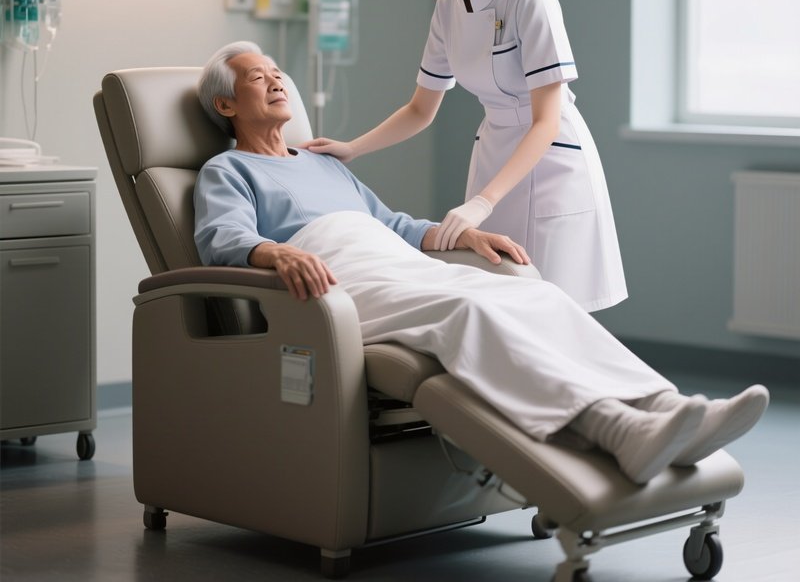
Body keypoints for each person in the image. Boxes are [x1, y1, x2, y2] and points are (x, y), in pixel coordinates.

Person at [193, 41, 768, 486]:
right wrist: (277, 250)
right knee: (466, 310)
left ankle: (666, 407)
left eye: (276, 72)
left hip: (394, 261)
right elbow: (221, 237)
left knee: (537, 295)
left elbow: (393, 224)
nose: (276, 80)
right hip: (337, 282)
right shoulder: (229, 169)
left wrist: (465, 234)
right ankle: (617, 430)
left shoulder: (323, 162)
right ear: (226, 105)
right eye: (257, 77)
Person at [302, 0, 626, 313]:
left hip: (550, 159)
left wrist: (482, 202)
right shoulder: (447, 9)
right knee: (502, 299)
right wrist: (352, 148)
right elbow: (420, 109)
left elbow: (546, 120)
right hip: (494, 153)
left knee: (557, 306)